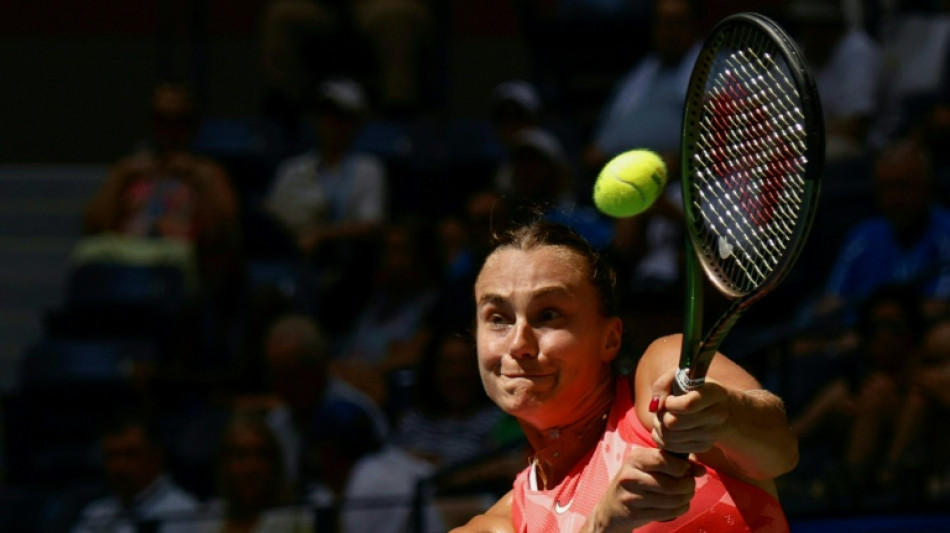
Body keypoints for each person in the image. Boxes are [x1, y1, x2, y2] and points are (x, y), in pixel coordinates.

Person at [452, 220, 798, 532]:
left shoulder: (658, 377)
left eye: (549, 315)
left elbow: (779, 452)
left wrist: (725, 414)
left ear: (610, 338)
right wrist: (602, 526)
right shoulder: (494, 526)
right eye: (498, 319)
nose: (519, 344)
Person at [812, 138, 950, 324]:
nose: (893, 199)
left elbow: (939, 306)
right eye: (885, 188)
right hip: (853, 335)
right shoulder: (863, 236)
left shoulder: (945, 232)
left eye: (902, 186)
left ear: (927, 185)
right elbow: (831, 304)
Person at [582, 0, 702, 173]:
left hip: (675, 179)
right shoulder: (638, 74)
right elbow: (601, 133)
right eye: (663, 23)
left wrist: (681, 162)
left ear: (695, 26)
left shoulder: (713, 69)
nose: (669, 33)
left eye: (677, 23)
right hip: (611, 174)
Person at [72, 414, 200, 533]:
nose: (119, 466)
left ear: (156, 456)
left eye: (130, 454)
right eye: (111, 456)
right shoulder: (96, 513)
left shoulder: (188, 512)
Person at [189, 413, 313, 533]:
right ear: (224, 463)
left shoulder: (296, 521)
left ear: (275, 463)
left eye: (261, 455)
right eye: (240, 455)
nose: (251, 467)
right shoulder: (208, 519)